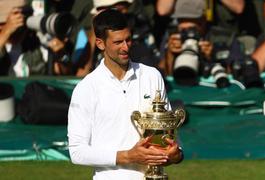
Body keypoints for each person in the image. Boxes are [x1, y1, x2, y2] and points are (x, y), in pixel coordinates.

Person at [67, 9, 183, 180]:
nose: (125, 47)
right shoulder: (86, 88)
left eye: (128, 40)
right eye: (118, 42)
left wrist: (175, 154)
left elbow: (168, 139)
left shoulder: (152, 76)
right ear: (100, 44)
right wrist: (128, 156)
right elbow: (77, 152)